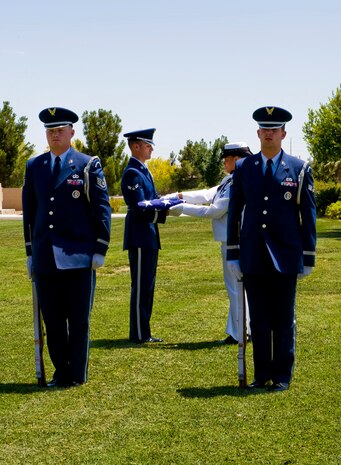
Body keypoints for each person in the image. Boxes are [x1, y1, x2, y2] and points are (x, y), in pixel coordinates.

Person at [226, 106, 316, 391]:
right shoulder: (244, 168)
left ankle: (282, 376)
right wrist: (233, 254)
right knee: (260, 320)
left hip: (286, 256)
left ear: (283, 134)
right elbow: (234, 212)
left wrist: (308, 255)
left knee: (283, 320)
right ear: (258, 133)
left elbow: (308, 215)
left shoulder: (299, 169)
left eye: (274, 130)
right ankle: (261, 374)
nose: (268, 134)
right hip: (253, 256)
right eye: (264, 130)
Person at [22, 107, 111, 387]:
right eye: (50, 130)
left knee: (78, 319)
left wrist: (100, 247)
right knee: (53, 320)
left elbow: (101, 208)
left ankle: (77, 374)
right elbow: (30, 212)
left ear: (72, 132)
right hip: (46, 256)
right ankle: (61, 371)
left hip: (78, 257)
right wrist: (29, 252)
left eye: (60, 130)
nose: (55, 135)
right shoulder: (34, 166)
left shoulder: (86, 165)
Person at [168, 142, 252, 344]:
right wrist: (177, 196)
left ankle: (240, 332)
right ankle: (241, 330)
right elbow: (207, 194)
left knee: (236, 288)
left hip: (237, 242)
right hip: (230, 241)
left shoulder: (239, 181)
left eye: (227, 158)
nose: (224, 162)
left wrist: (181, 208)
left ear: (238, 160)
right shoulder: (229, 180)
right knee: (237, 289)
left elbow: (214, 210)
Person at [121, 128, 166, 343]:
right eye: (148, 145)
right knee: (140, 286)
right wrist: (163, 208)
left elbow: (153, 198)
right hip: (139, 235)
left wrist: (168, 203)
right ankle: (139, 333)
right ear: (136, 146)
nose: (151, 149)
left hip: (148, 235)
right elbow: (140, 207)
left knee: (148, 285)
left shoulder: (144, 171)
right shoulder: (132, 173)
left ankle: (144, 332)